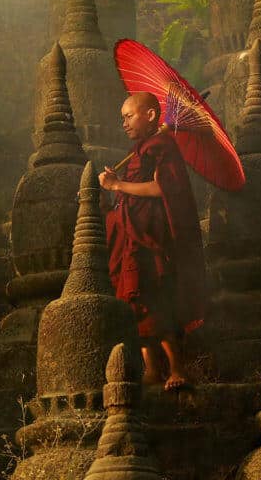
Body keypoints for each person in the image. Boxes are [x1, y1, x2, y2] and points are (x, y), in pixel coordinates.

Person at [99, 91, 207, 391]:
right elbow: (132, 191)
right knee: (136, 302)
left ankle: (176, 368)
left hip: (150, 236)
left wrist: (118, 184)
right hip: (131, 234)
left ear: (150, 116)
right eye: (122, 118)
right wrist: (115, 187)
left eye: (129, 116)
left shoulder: (162, 146)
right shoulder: (141, 150)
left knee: (156, 299)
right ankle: (151, 369)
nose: (124, 123)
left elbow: (162, 189)